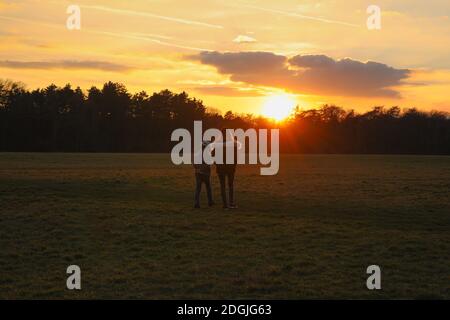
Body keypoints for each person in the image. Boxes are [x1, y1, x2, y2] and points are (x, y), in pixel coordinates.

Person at [215, 129, 240, 209]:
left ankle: (225, 204)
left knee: (222, 186)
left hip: (221, 167)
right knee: (230, 185)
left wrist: (217, 164)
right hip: (230, 168)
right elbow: (236, 157)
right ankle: (231, 203)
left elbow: (213, 155)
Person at [194, 141, 214, 208]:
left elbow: (194, 163)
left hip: (198, 173)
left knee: (198, 188)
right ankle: (210, 201)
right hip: (205, 173)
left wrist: (198, 168)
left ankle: (196, 203)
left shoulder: (197, 153)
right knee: (208, 187)